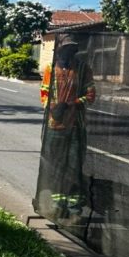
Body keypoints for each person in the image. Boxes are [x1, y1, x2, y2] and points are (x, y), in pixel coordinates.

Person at [39, 36, 96, 220]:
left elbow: (91, 95)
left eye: (72, 49)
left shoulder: (83, 69)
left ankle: (74, 208)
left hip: (75, 127)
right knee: (56, 166)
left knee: (73, 166)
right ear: (59, 50)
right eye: (65, 49)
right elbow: (44, 92)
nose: (69, 53)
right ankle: (57, 204)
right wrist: (52, 107)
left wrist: (73, 103)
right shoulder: (51, 69)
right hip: (54, 127)